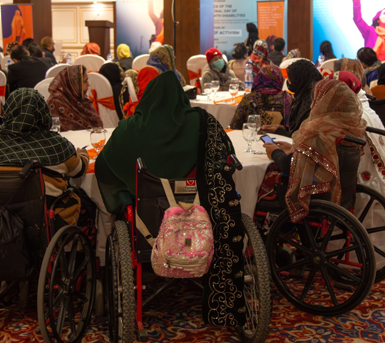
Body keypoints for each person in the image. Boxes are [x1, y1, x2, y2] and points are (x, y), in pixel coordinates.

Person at [95, 71, 248, 327]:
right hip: (203, 216)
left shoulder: (129, 129)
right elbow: (226, 157)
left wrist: (123, 197)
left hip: (149, 222)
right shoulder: (203, 122)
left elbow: (104, 166)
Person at [0, 88, 90, 228]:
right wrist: (83, 154)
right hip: (41, 219)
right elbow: (78, 170)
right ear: (42, 112)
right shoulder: (54, 144)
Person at [263, 79, 367, 221]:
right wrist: (293, 148)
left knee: (267, 179)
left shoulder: (320, 131)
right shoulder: (351, 126)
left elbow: (290, 165)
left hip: (316, 197)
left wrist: (275, 152)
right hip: (344, 196)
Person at [261, 60, 322, 137]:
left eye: (291, 79)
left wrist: (278, 131)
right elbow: (297, 128)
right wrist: (283, 128)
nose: (289, 83)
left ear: (300, 79)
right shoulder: (303, 96)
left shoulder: (312, 102)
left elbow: (302, 136)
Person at [230, 65, 291, 130]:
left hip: (251, 136)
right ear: (280, 78)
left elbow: (234, 125)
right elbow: (292, 126)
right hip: (281, 138)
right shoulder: (287, 98)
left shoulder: (249, 98)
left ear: (259, 78)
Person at [47, 65, 103, 131]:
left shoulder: (81, 99)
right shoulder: (56, 101)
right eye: (85, 81)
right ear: (74, 84)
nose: (88, 84)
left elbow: (97, 126)